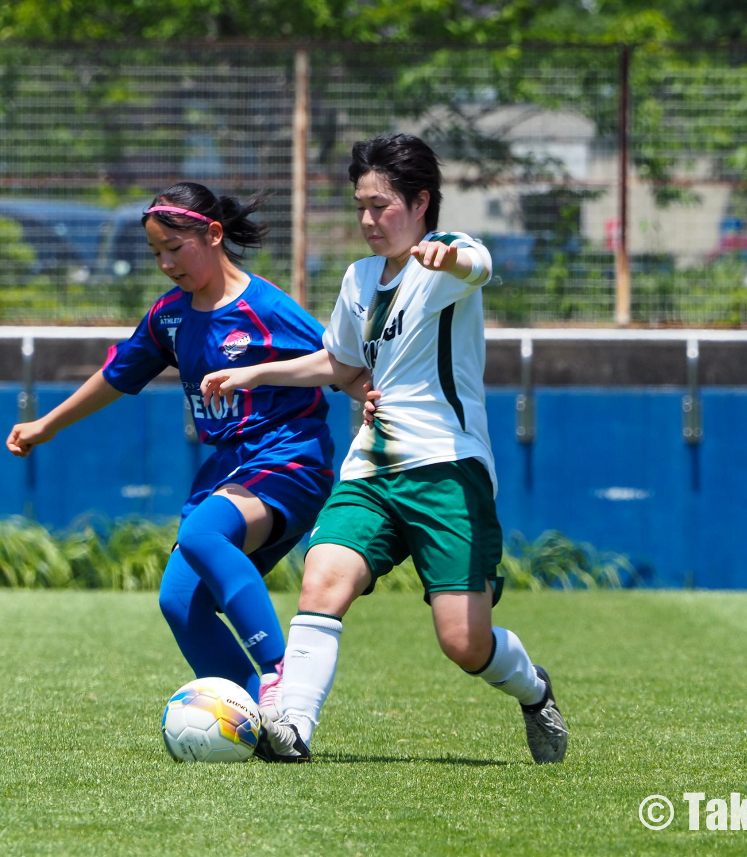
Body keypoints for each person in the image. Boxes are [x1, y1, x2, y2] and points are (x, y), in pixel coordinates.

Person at [202, 134, 568, 764]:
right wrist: (257, 373)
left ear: (422, 201)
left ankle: (535, 692)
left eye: (382, 206)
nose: (369, 220)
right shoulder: (358, 278)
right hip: (372, 467)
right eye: (361, 207)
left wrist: (445, 258)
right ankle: (293, 727)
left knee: (463, 644)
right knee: (322, 579)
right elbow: (341, 361)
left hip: (447, 471)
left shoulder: (450, 258)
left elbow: (477, 264)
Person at [7, 182, 366, 721]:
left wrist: (371, 394)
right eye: (156, 254)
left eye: (175, 249)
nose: (166, 263)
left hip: (288, 460)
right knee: (181, 601)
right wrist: (47, 425)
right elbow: (116, 375)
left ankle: (279, 673)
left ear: (214, 235)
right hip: (228, 470)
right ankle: (264, 719)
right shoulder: (169, 317)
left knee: (201, 533)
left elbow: (341, 362)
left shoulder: (267, 307)